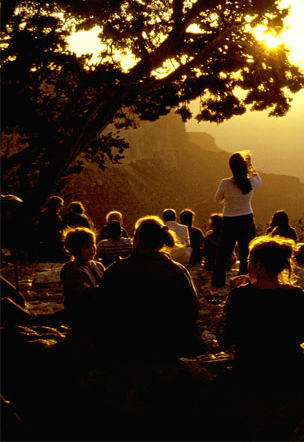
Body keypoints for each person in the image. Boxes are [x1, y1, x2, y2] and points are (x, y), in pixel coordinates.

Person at [216, 236, 304, 397]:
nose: (247, 265)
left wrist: (233, 297)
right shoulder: (296, 294)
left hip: (250, 372)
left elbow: (223, 338)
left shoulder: (240, 295)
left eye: (249, 261)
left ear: (259, 266)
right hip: (288, 371)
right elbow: (301, 336)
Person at [96, 216, 205, 360]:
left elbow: (103, 308)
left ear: (136, 239)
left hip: (125, 344)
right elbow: (191, 311)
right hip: (170, 345)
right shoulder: (178, 271)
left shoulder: (116, 270)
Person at [210, 152, 261, 303]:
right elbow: (257, 178)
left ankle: (215, 289)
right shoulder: (252, 182)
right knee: (246, 254)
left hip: (229, 220)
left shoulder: (225, 183)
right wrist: (250, 165)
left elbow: (217, 199)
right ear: (244, 166)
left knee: (223, 255)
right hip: (246, 219)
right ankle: (245, 285)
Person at [59, 227, 105, 332]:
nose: (92, 249)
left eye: (93, 244)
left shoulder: (98, 266)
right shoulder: (73, 270)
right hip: (82, 313)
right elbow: (84, 295)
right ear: (74, 250)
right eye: (86, 247)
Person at [35, 195, 66, 261]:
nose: (60, 208)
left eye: (61, 206)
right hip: (51, 242)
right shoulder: (51, 215)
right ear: (53, 205)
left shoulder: (45, 213)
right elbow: (56, 227)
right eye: (59, 206)